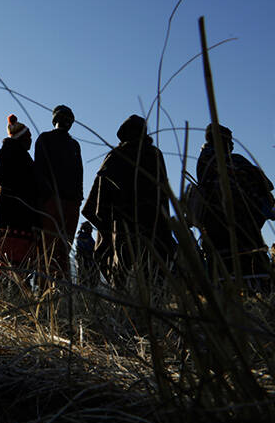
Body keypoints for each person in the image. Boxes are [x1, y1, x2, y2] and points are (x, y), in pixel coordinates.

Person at [82, 115, 174, 284]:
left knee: (123, 271)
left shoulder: (117, 155)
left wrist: (104, 221)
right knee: (152, 273)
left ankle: (124, 306)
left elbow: (99, 200)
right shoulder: (154, 155)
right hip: (151, 224)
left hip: (126, 225)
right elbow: (164, 194)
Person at [196, 123, 275, 280]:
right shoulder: (227, 161)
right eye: (228, 140)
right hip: (236, 221)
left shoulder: (207, 160)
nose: (232, 144)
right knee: (246, 260)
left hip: (221, 222)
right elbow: (264, 185)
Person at [35, 105, 82, 281]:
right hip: (52, 202)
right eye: (64, 118)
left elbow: (79, 173)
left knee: (63, 249)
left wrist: (77, 200)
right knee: (49, 249)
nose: (67, 122)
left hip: (68, 203)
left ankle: (61, 290)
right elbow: (38, 169)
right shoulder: (45, 139)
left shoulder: (74, 144)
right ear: (56, 120)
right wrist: (45, 198)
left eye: (69, 119)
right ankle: (46, 291)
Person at [0, 114, 38, 284]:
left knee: (17, 262)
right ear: (21, 137)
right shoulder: (10, 151)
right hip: (12, 214)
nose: (31, 140)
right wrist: (22, 190)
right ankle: (8, 298)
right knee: (11, 261)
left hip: (17, 214)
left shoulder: (20, 154)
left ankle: (12, 297)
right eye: (29, 137)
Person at [75, 221, 98, 287]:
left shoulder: (88, 237)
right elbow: (84, 249)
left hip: (89, 261)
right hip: (85, 262)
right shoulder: (82, 237)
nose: (91, 230)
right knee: (85, 280)